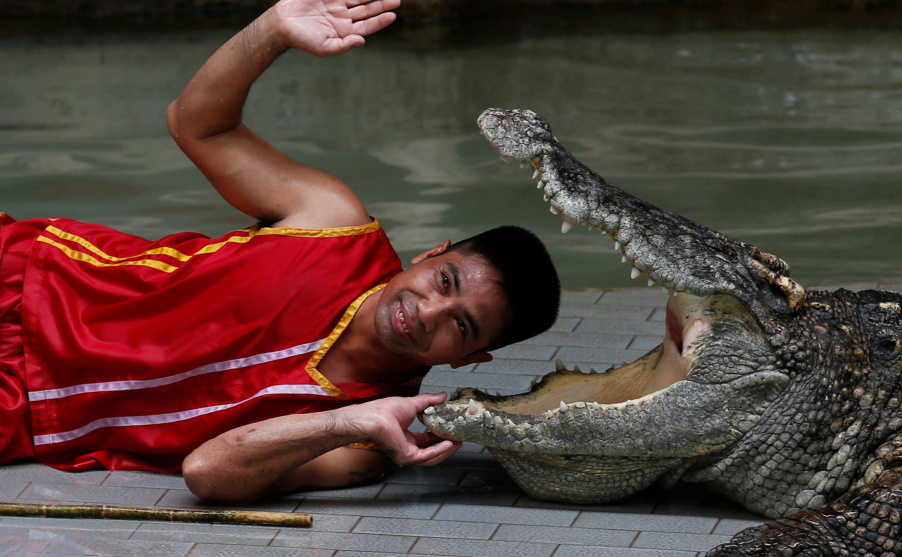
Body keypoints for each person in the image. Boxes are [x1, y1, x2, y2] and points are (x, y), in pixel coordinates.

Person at [0, 0, 560, 505]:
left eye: (460, 327)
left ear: (468, 360)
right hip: (28, 275)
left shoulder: (366, 440)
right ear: (430, 254)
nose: (426, 312)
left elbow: (208, 473)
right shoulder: (333, 223)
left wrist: (350, 422)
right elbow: (197, 126)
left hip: (29, 407)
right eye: (445, 282)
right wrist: (272, 30)